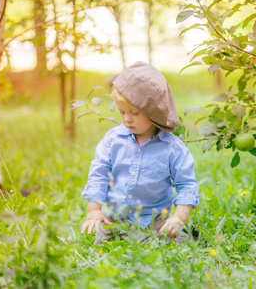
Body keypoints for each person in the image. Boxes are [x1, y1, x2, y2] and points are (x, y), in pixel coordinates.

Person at [80, 61, 200, 245]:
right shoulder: (113, 140)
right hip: (115, 218)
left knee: (170, 242)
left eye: (135, 112)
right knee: (103, 244)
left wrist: (178, 217)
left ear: (154, 112)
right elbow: (99, 172)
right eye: (122, 111)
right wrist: (94, 209)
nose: (127, 118)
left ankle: (183, 231)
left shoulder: (172, 148)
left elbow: (187, 185)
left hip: (153, 220)